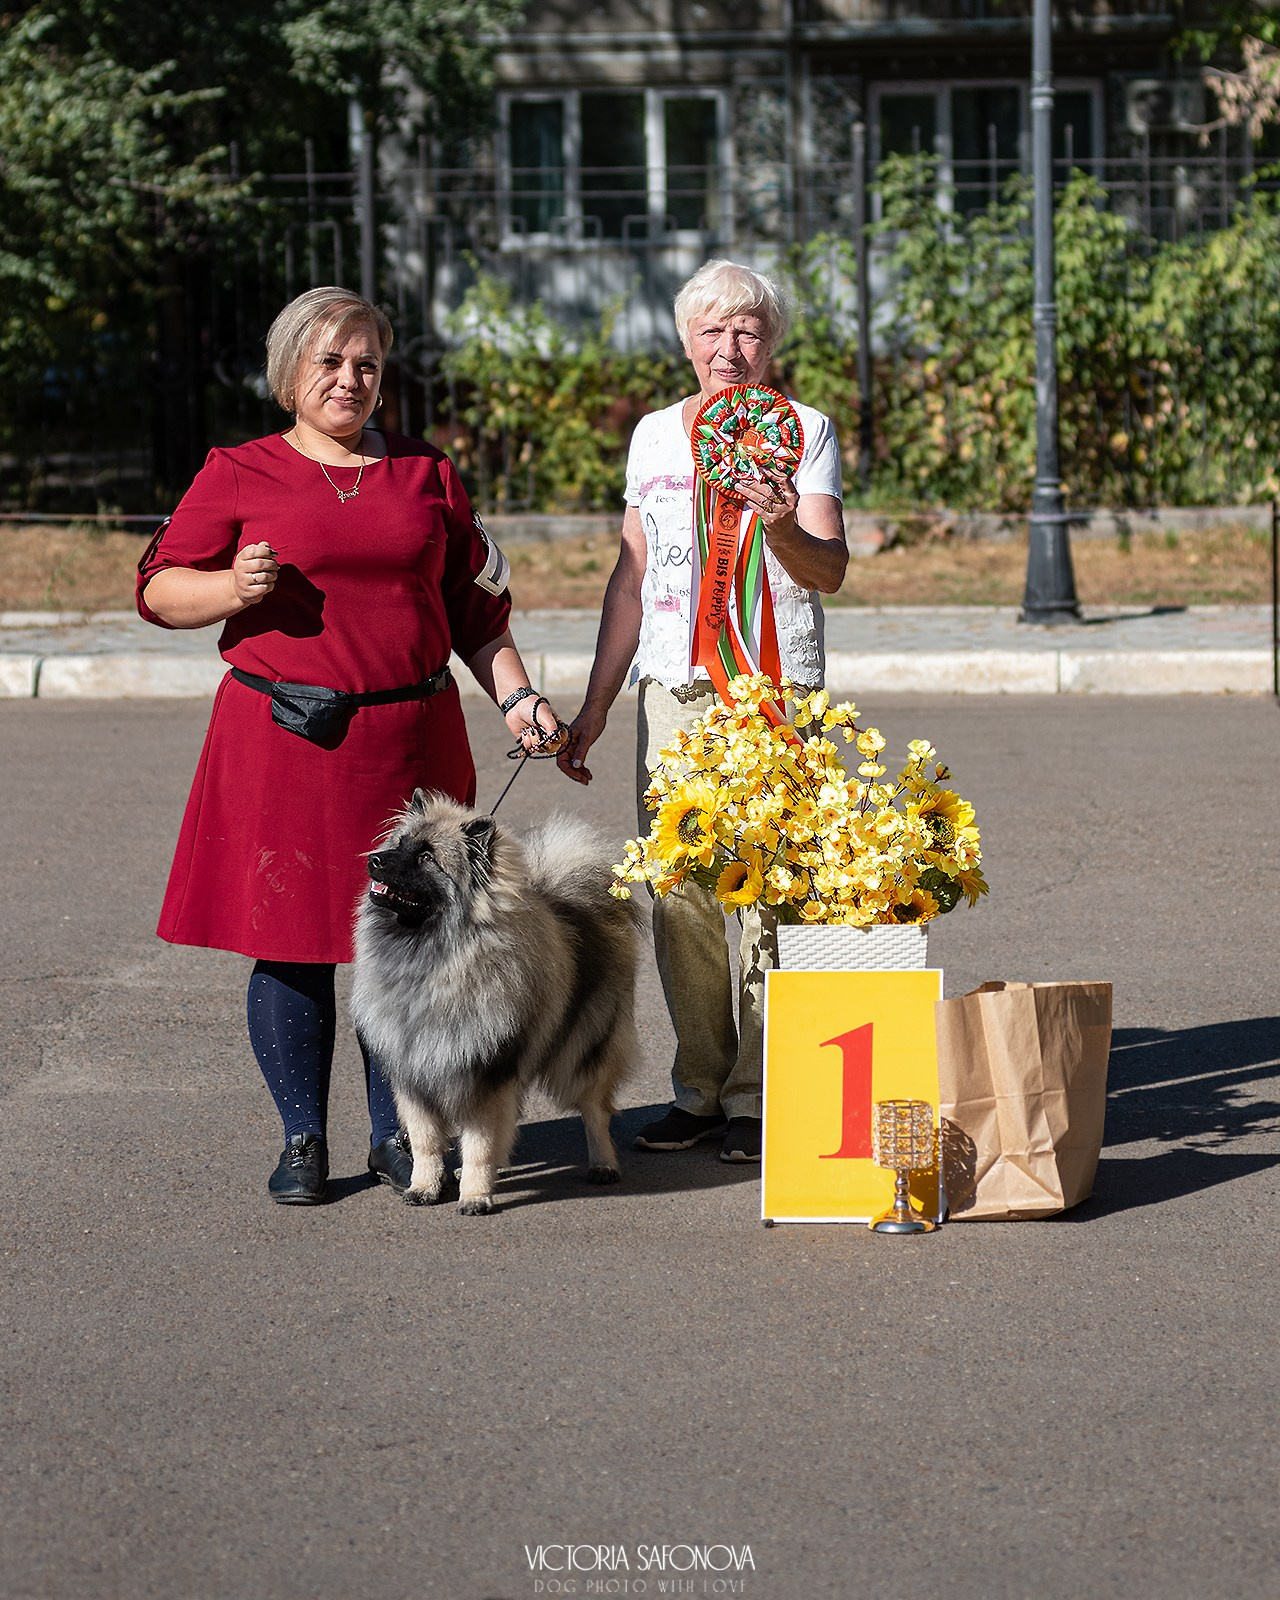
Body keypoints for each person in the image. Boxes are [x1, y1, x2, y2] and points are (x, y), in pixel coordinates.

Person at [138, 285, 565, 1206]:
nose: (350, 379)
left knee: (412, 941)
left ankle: (398, 1132)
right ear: (291, 371)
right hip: (284, 740)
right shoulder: (239, 471)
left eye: (367, 363)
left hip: (411, 742)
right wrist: (231, 589)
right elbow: (161, 590)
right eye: (330, 361)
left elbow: (476, 614)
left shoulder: (426, 473)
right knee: (291, 943)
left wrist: (519, 698)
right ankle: (301, 1137)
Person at [558, 260, 847, 1164]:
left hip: (772, 691)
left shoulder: (806, 430)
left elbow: (828, 569)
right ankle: (701, 1088)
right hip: (674, 689)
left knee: (767, 887)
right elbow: (633, 577)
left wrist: (783, 523)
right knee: (678, 887)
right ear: (685, 342)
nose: (731, 349)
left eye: (750, 332)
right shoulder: (651, 436)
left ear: (773, 343)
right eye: (712, 332)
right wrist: (598, 705)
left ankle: (765, 1094)